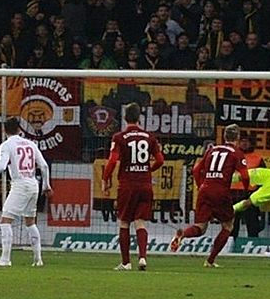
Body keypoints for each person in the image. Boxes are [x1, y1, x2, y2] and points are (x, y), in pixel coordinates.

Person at [0, 117, 51, 267]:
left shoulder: (6, 145)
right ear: (20, 130)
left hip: (20, 185)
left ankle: (5, 259)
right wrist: (46, 185)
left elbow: (1, 166)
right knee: (30, 222)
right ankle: (38, 259)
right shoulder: (31, 144)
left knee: (5, 221)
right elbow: (44, 166)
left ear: (4, 130)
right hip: (34, 184)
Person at [170, 124, 250, 267]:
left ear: (224, 136)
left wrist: (200, 186)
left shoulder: (211, 150)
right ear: (237, 138)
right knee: (227, 225)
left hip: (205, 190)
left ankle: (183, 234)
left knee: (200, 227)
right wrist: (246, 190)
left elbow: (195, 170)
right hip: (221, 191)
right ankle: (210, 260)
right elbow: (244, 175)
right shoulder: (236, 153)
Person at [101, 103, 164, 271]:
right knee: (140, 222)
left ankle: (126, 262)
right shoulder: (150, 137)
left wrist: (105, 178)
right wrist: (147, 169)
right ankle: (142, 258)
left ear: (124, 118)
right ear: (139, 118)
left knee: (124, 222)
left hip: (127, 185)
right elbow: (160, 160)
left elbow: (113, 161)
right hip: (145, 185)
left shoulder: (119, 137)